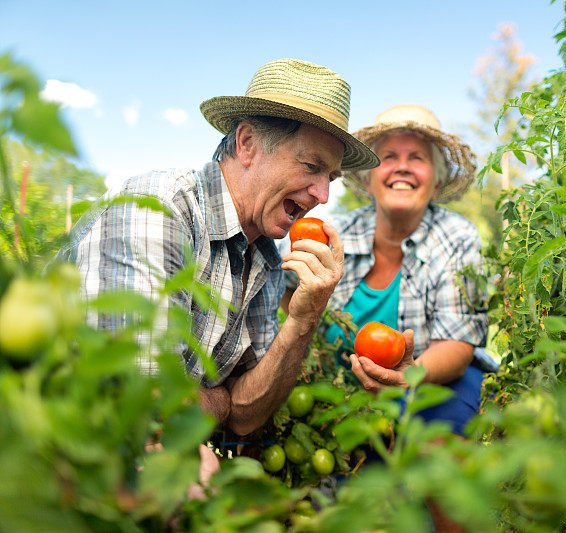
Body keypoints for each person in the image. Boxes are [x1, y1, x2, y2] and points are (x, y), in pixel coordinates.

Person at [60, 59, 379, 441]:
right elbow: (139, 402)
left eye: (330, 177)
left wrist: (303, 319)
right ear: (247, 144)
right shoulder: (157, 210)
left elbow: (248, 415)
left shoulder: (267, 259)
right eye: (311, 166)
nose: (323, 196)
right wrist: (220, 402)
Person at [284, 104, 495, 437]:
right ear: (368, 182)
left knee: (437, 449)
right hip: (339, 390)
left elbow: (457, 344)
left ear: (436, 183)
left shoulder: (457, 236)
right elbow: (281, 287)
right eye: (389, 157)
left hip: (430, 384)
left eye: (417, 158)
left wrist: (409, 375)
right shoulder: (332, 233)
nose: (402, 168)